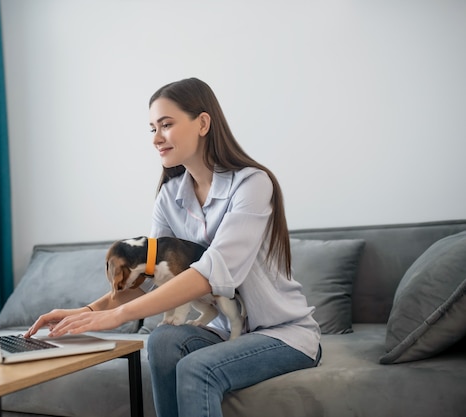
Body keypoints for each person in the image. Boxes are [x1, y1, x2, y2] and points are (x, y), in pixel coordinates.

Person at [25, 77, 321, 417]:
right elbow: (152, 284)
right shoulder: (169, 197)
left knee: (197, 368)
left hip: (283, 335)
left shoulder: (252, 184)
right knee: (163, 341)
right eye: (152, 128)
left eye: (166, 125)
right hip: (223, 332)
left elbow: (211, 274)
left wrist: (117, 316)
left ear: (203, 123)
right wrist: (87, 312)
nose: (156, 138)